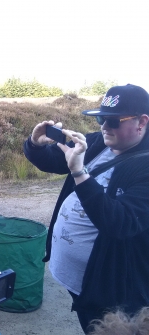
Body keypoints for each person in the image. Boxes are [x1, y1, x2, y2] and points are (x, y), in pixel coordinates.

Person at [23, 84, 149, 333]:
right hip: (78, 281)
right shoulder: (99, 143)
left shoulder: (144, 166)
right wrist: (35, 143)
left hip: (110, 289)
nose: (103, 126)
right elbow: (52, 160)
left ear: (141, 122)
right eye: (100, 118)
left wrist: (79, 173)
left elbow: (120, 222)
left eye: (112, 120)